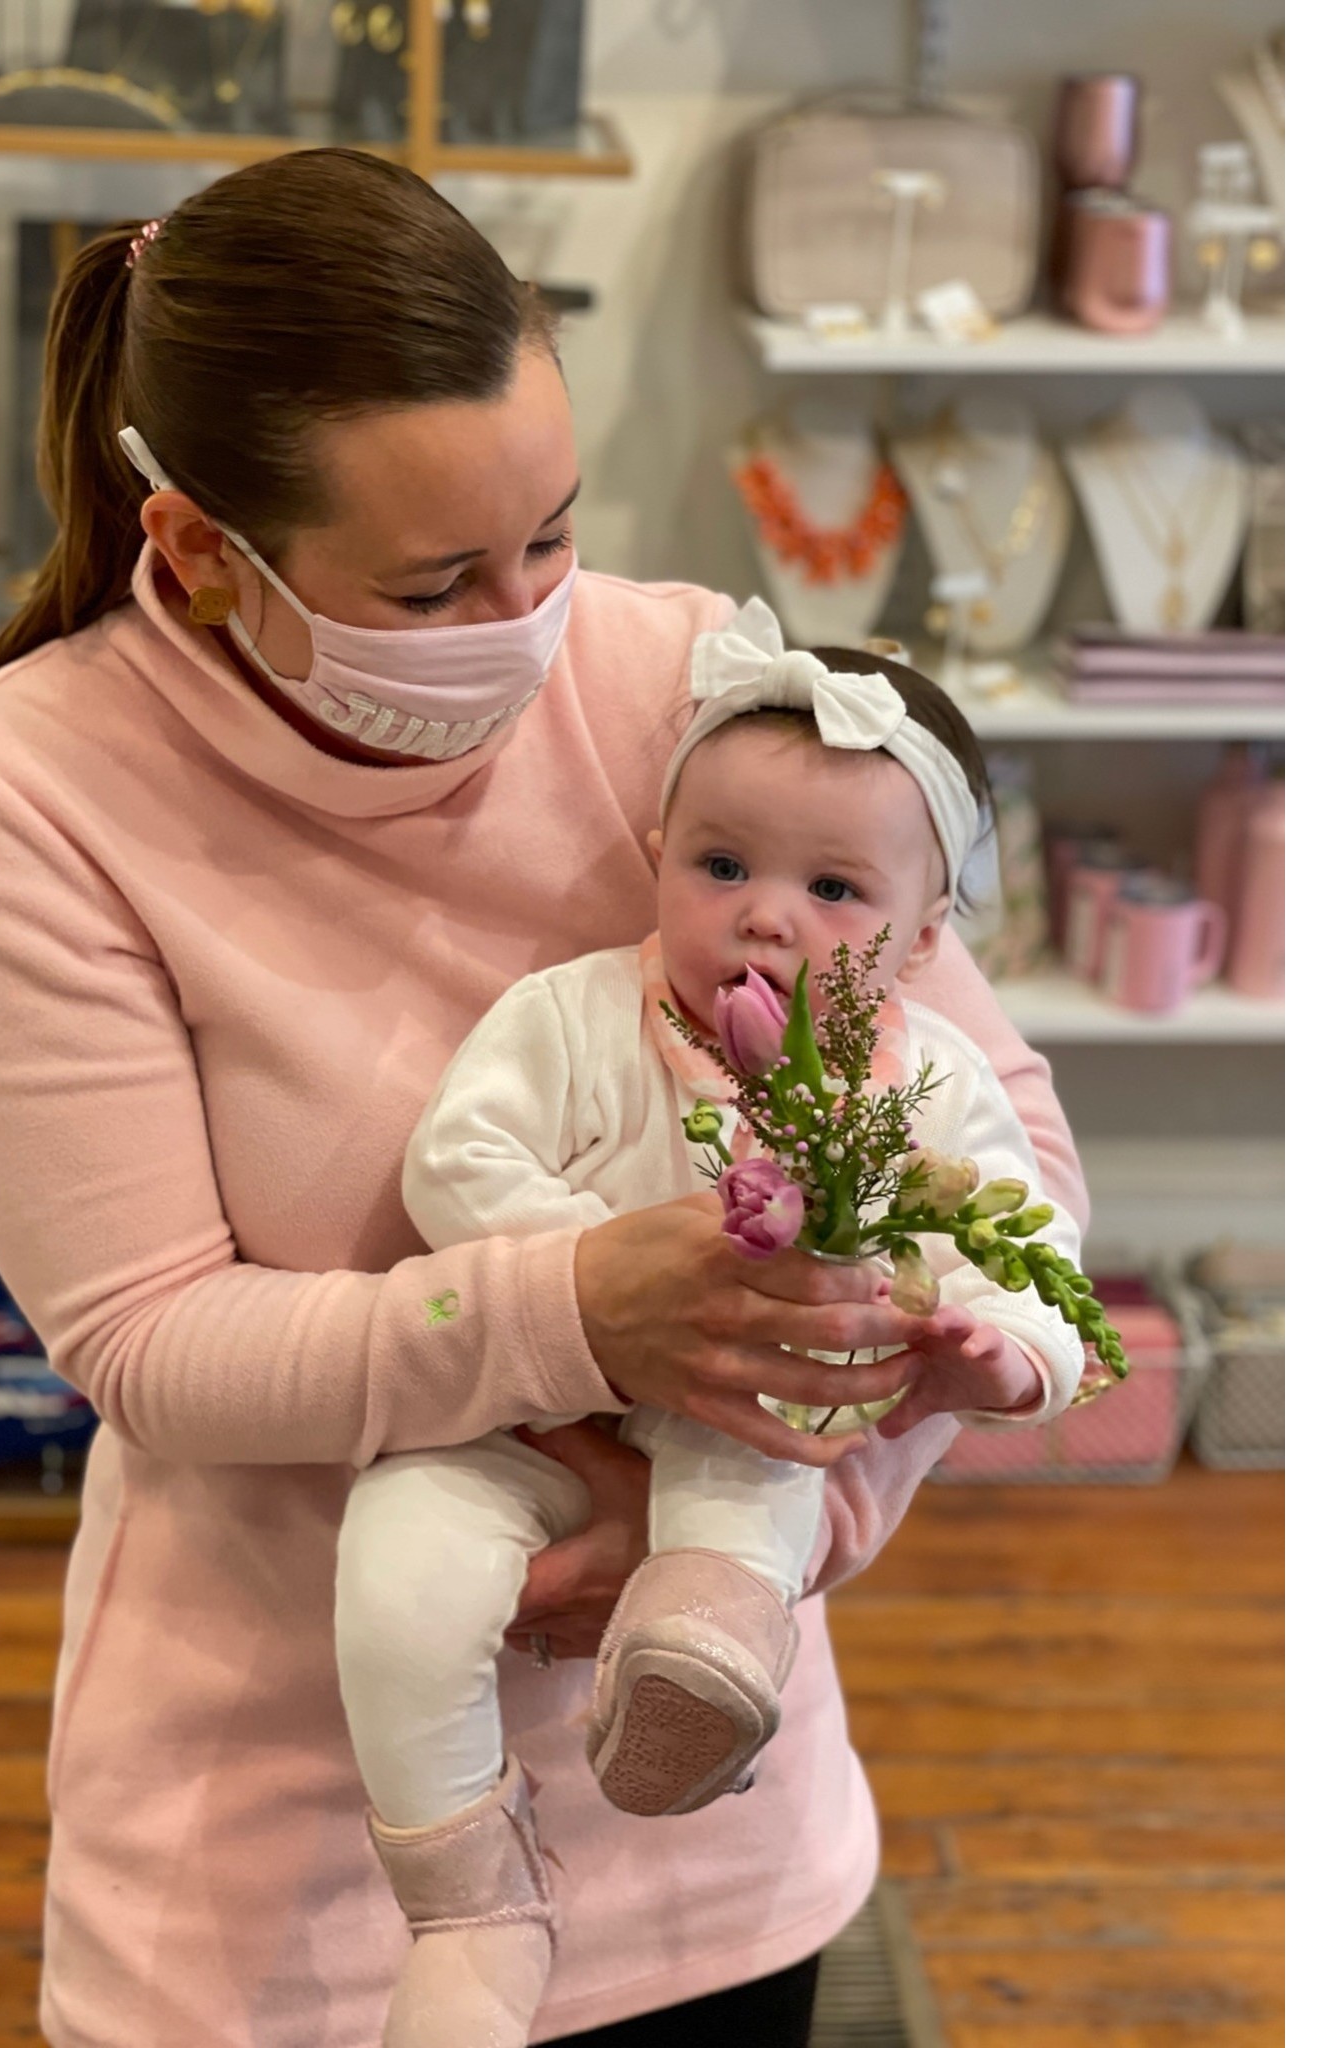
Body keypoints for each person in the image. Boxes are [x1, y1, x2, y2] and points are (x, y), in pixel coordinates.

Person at [0, 149, 1088, 2048]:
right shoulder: (26, 792)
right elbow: (147, 1340)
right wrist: (580, 1305)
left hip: (713, 1802)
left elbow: (990, 1136)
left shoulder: (693, 679)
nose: (532, 616)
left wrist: (784, 1518)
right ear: (205, 548)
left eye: (554, 532)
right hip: (296, 1845)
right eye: (439, 579)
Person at [336, 602, 1088, 2045]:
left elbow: (1022, 1236)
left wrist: (1008, 1358)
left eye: (836, 891)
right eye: (724, 865)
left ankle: (698, 1678)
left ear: (927, 938)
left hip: (764, 1430)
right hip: (530, 1414)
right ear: (657, 864)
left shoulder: (926, 1085)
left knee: (751, 1492)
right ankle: (466, 1904)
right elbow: (457, 1163)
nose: (765, 915)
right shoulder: (570, 1020)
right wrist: (614, 1281)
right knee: (397, 1561)